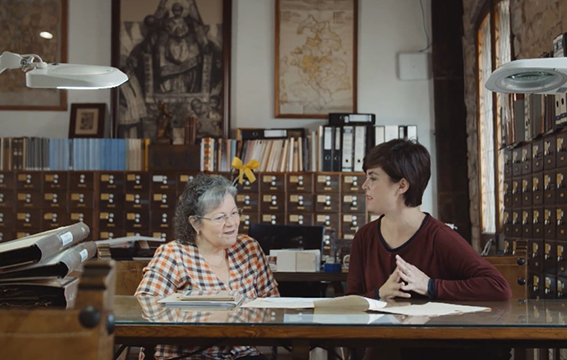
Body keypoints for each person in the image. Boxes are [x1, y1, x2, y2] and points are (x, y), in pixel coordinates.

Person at [346, 138, 511, 360]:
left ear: (402, 186)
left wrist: (430, 286)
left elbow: (498, 287)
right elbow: (351, 301)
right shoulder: (364, 237)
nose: (365, 185)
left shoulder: (439, 236)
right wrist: (379, 295)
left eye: (373, 178)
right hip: (386, 344)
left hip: (439, 348)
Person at [136, 174, 279, 360]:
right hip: (190, 355)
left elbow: (274, 305)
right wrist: (208, 318)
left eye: (234, 213)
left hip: (242, 355)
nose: (231, 224)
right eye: (220, 217)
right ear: (195, 223)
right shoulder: (173, 254)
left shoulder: (249, 248)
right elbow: (144, 307)